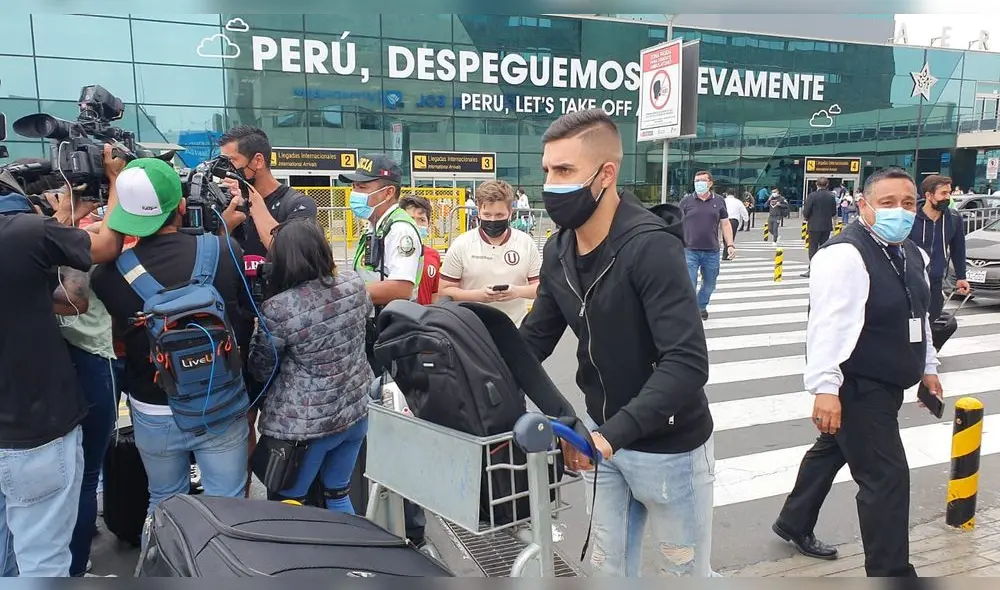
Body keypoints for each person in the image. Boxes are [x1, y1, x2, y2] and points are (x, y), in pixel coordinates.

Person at [520, 109, 715, 577]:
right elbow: (534, 339)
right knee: (608, 573)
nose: (550, 184)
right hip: (602, 440)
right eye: (547, 170)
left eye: (564, 171)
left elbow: (686, 363)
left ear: (606, 174)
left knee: (686, 577)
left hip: (670, 450)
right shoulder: (559, 249)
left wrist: (610, 438)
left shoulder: (651, 247)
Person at [773, 168, 941, 577]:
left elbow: (918, 315)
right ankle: (891, 573)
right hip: (858, 384)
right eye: (887, 204)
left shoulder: (911, 253)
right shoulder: (844, 254)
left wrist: (928, 367)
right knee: (886, 479)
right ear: (863, 206)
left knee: (831, 450)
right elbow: (827, 326)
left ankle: (793, 522)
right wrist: (826, 388)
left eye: (907, 203)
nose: (899, 211)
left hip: (886, 382)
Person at [92, 158, 252, 518]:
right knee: (227, 504)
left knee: (164, 501)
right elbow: (243, 318)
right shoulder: (225, 250)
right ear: (181, 205)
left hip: (153, 407)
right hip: (220, 399)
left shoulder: (108, 275)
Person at [0, 146, 125, 577]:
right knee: (42, 561)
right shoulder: (24, 235)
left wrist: (61, 222)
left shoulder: (29, 237)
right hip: (34, 434)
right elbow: (99, 256)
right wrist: (116, 182)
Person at [217, 125, 318, 497]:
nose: (225, 172)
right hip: (240, 329)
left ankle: (286, 500)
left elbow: (290, 255)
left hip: (285, 334)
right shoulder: (225, 207)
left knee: (283, 427)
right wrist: (224, 224)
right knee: (241, 423)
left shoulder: (298, 204)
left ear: (257, 162)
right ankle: (241, 505)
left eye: (232, 163)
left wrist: (253, 206)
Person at [248, 219, 373, 511]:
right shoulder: (354, 284)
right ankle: (351, 552)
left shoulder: (279, 307)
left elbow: (262, 368)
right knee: (338, 493)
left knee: (289, 503)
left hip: (304, 430)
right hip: (354, 413)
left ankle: (296, 558)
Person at [340, 154, 426, 547]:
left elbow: (400, 288)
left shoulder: (400, 229)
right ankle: (386, 516)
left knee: (396, 430)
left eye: (362, 186)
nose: (354, 193)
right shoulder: (375, 226)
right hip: (374, 336)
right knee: (380, 432)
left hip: (391, 342)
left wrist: (341, 292)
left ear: (386, 190)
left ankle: (411, 529)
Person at [439, 180, 542, 327]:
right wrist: (479, 296)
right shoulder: (461, 244)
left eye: (499, 215)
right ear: (478, 211)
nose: (493, 220)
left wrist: (516, 292)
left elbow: (540, 288)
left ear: (510, 212)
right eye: (487, 215)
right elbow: (444, 290)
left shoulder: (525, 243)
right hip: (471, 328)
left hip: (515, 327)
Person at [909, 175, 970, 320]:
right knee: (911, 328)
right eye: (943, 193)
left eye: (949, 192)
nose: (947, 197)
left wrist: (961, 276)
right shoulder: (910, 218)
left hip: (936, 282)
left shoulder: (954, 219)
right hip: (911, 282)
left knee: (933, 325)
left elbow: (958, 249)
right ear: (929, 195)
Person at [678, 171, 736, 320]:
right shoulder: (686, 201)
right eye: (696, 181)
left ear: (710, 183)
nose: (698, 184)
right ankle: (692, 312)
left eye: (702, 181)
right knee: (690, 284)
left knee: (710, 285)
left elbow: (725, 223)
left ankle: (701, 305)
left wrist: (730, 244)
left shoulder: (719, 201)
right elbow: (676, 222)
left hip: (711, 251)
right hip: (689, 250)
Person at [399, 195, 441, 305]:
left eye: (422, 220)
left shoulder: (433, 255)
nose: (415, 225)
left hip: (425, 319)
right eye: (410, 219)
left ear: (428, 224)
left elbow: (434, 293)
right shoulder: (389, 253)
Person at [801, 177, 839, 278]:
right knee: (823, 248)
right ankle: (822, 268)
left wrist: (807, 217)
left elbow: (806, 211)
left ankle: (812, 269)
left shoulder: (812, 196)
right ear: (827, 185)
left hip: (814, 225)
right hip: (826, 225)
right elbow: (833, 212)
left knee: (813, 247)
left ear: (816, 184)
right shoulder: (831, 196)